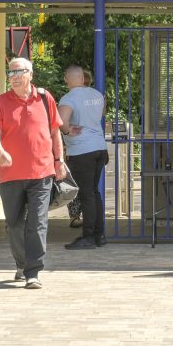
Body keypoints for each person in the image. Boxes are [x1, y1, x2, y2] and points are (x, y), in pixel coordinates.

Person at [0, 57, 65, 289]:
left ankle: (33, 271)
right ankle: (22, 264)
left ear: (30, 74)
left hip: (42, 171)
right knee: (14, 224)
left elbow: (55, 132)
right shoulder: (1, 102)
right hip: (10, 173)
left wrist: (59, 160)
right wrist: (0, 151)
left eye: (20, 71)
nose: (15, 76)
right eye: (11, 73)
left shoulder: (44, 98)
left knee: (37, 222)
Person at [57, 64, 109, 249]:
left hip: (81, 151)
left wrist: (67, 130)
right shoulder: (97, 95)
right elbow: (102, 114)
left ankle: (88, 237)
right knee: (94, 192)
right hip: (100, 148)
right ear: (82, 78)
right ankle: (99, 234)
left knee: (86, 194)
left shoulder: (68, 98)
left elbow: (61, 121)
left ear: (67, 80)